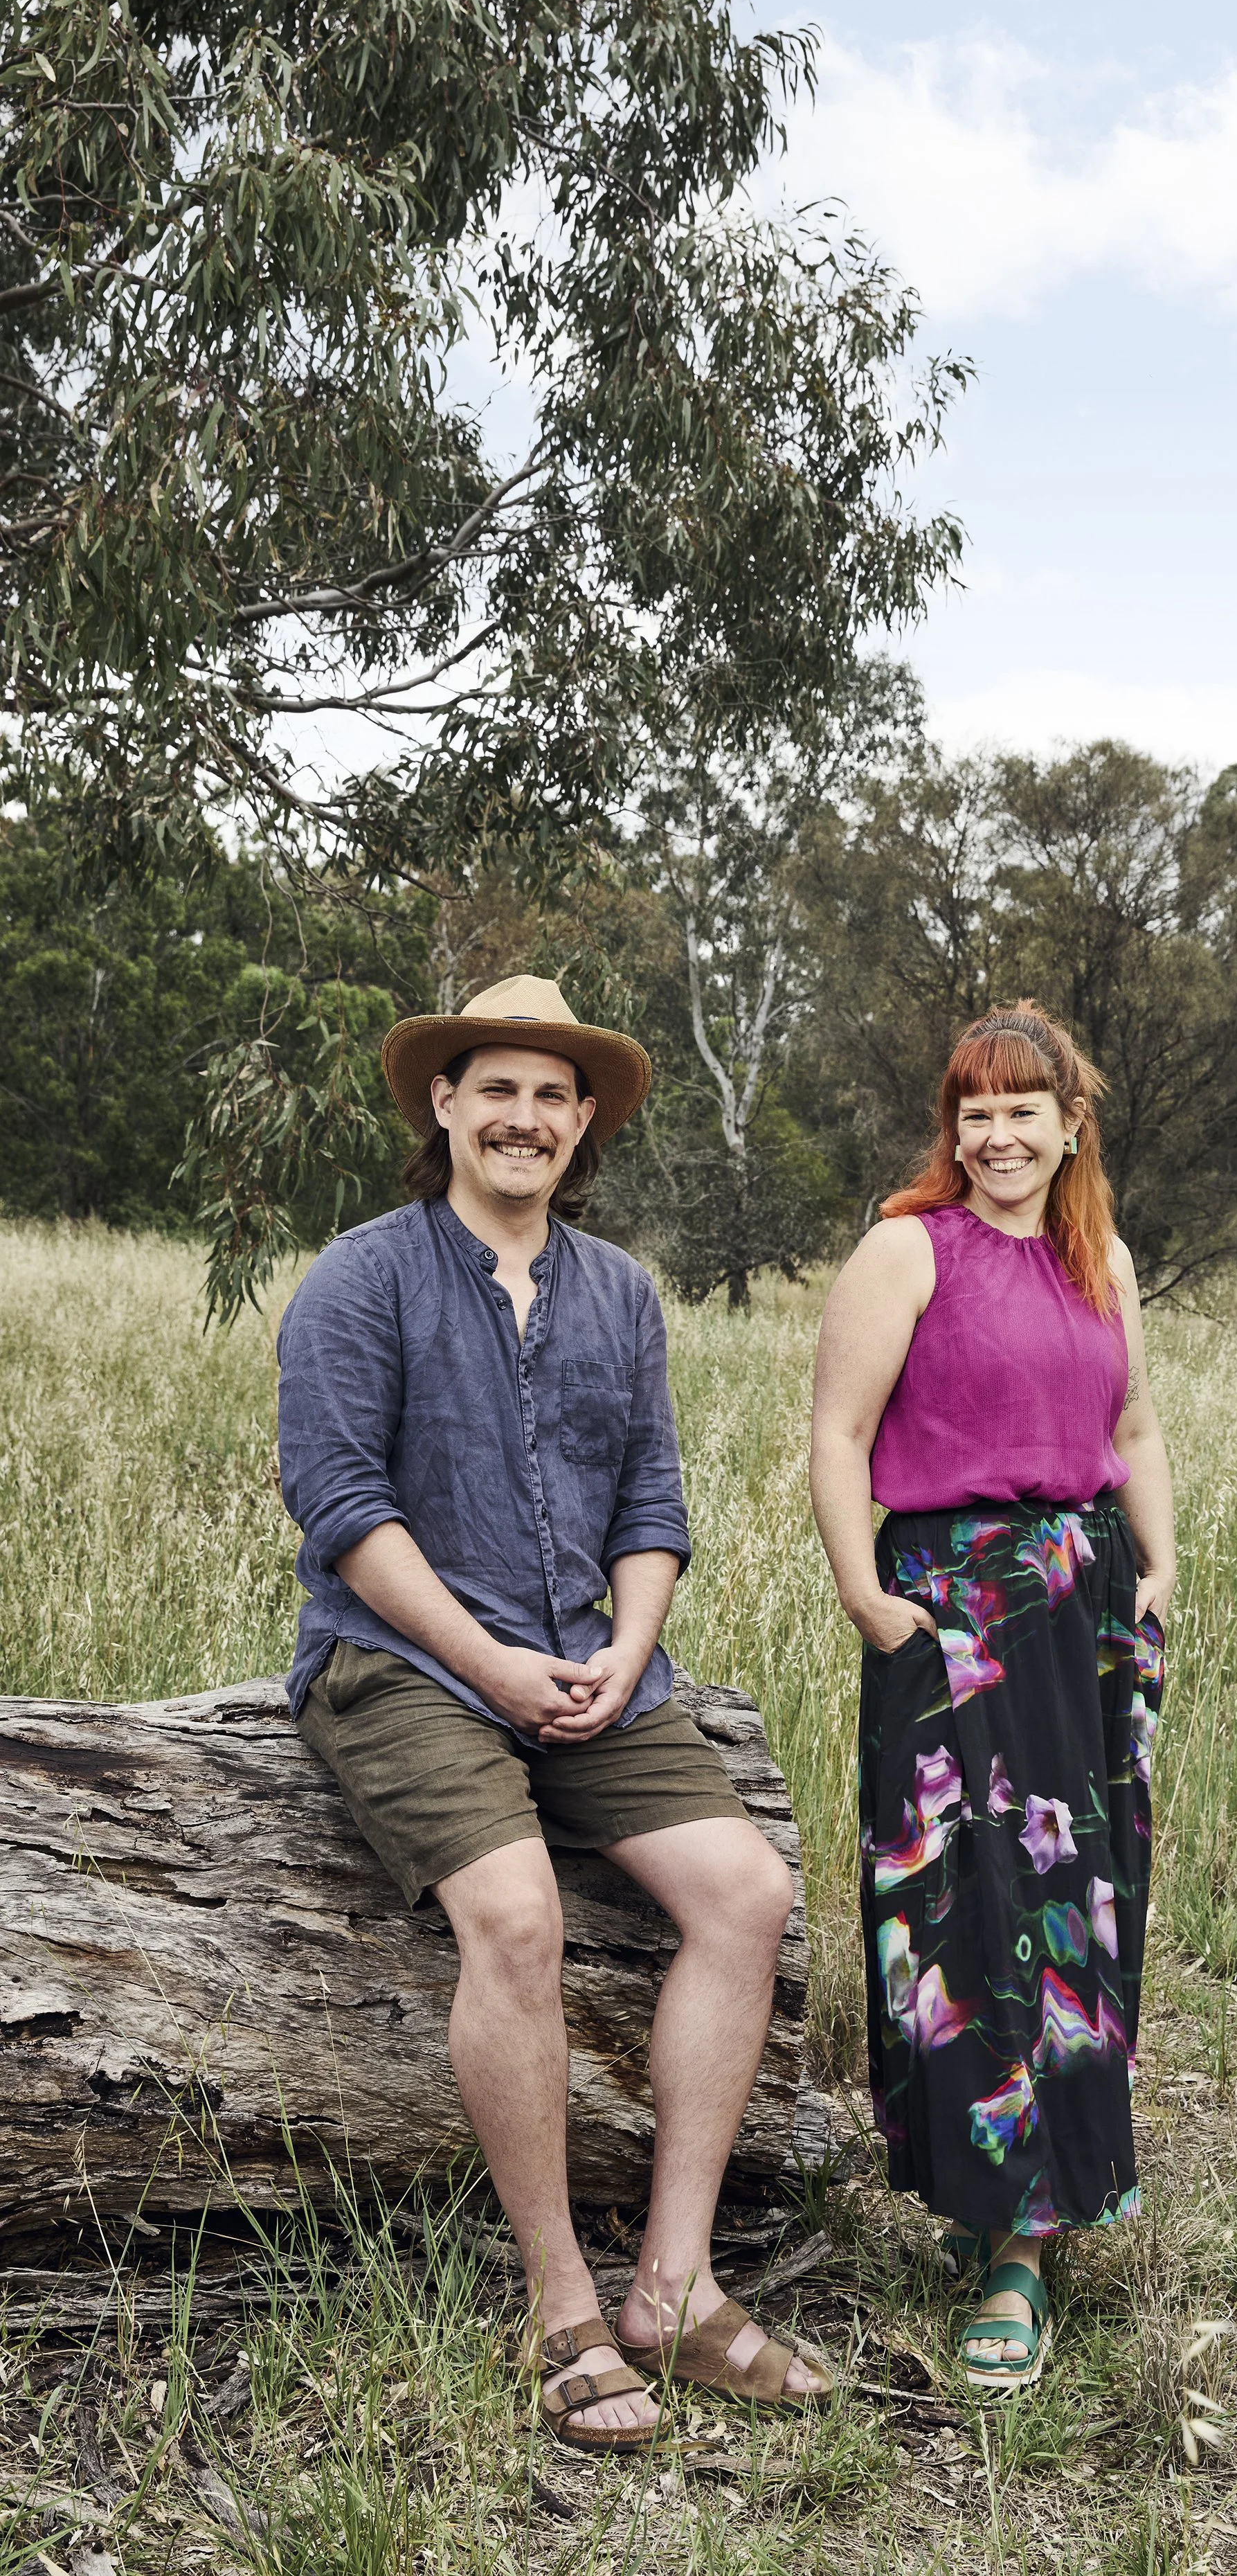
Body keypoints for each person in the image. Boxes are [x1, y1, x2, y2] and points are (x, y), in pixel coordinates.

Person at [276, 973, 830, 2453]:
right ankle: (563, 2307)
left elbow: (651, 1500)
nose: (522, 1117)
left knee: (746, 1892)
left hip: (590, 1668)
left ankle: (675, 2289)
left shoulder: (620, 1292)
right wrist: (495, 1664)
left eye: (550, 1096)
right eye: (494, 1089)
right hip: (402, 1667)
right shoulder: (361, 1281)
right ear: (443, 1106)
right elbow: (342, 1510)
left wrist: (620, 1645)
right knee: (514, 1915)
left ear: (583, 1124)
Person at [809, 1001, 1175, 2399]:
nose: (998, 1135)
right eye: (974, 1110)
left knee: (1081, 1895)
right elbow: (839, 1434)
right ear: (948, 1127)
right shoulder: (908, 1250)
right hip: (949, 1612)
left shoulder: (1100, 1257)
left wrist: (1160, 1565)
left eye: (1024, 1110)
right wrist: (868, 1599)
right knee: (970, 1908)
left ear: (1070, 1123)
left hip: (1083, 1610)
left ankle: (1066, 2178)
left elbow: (1130, 1426)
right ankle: (1004, 2247)